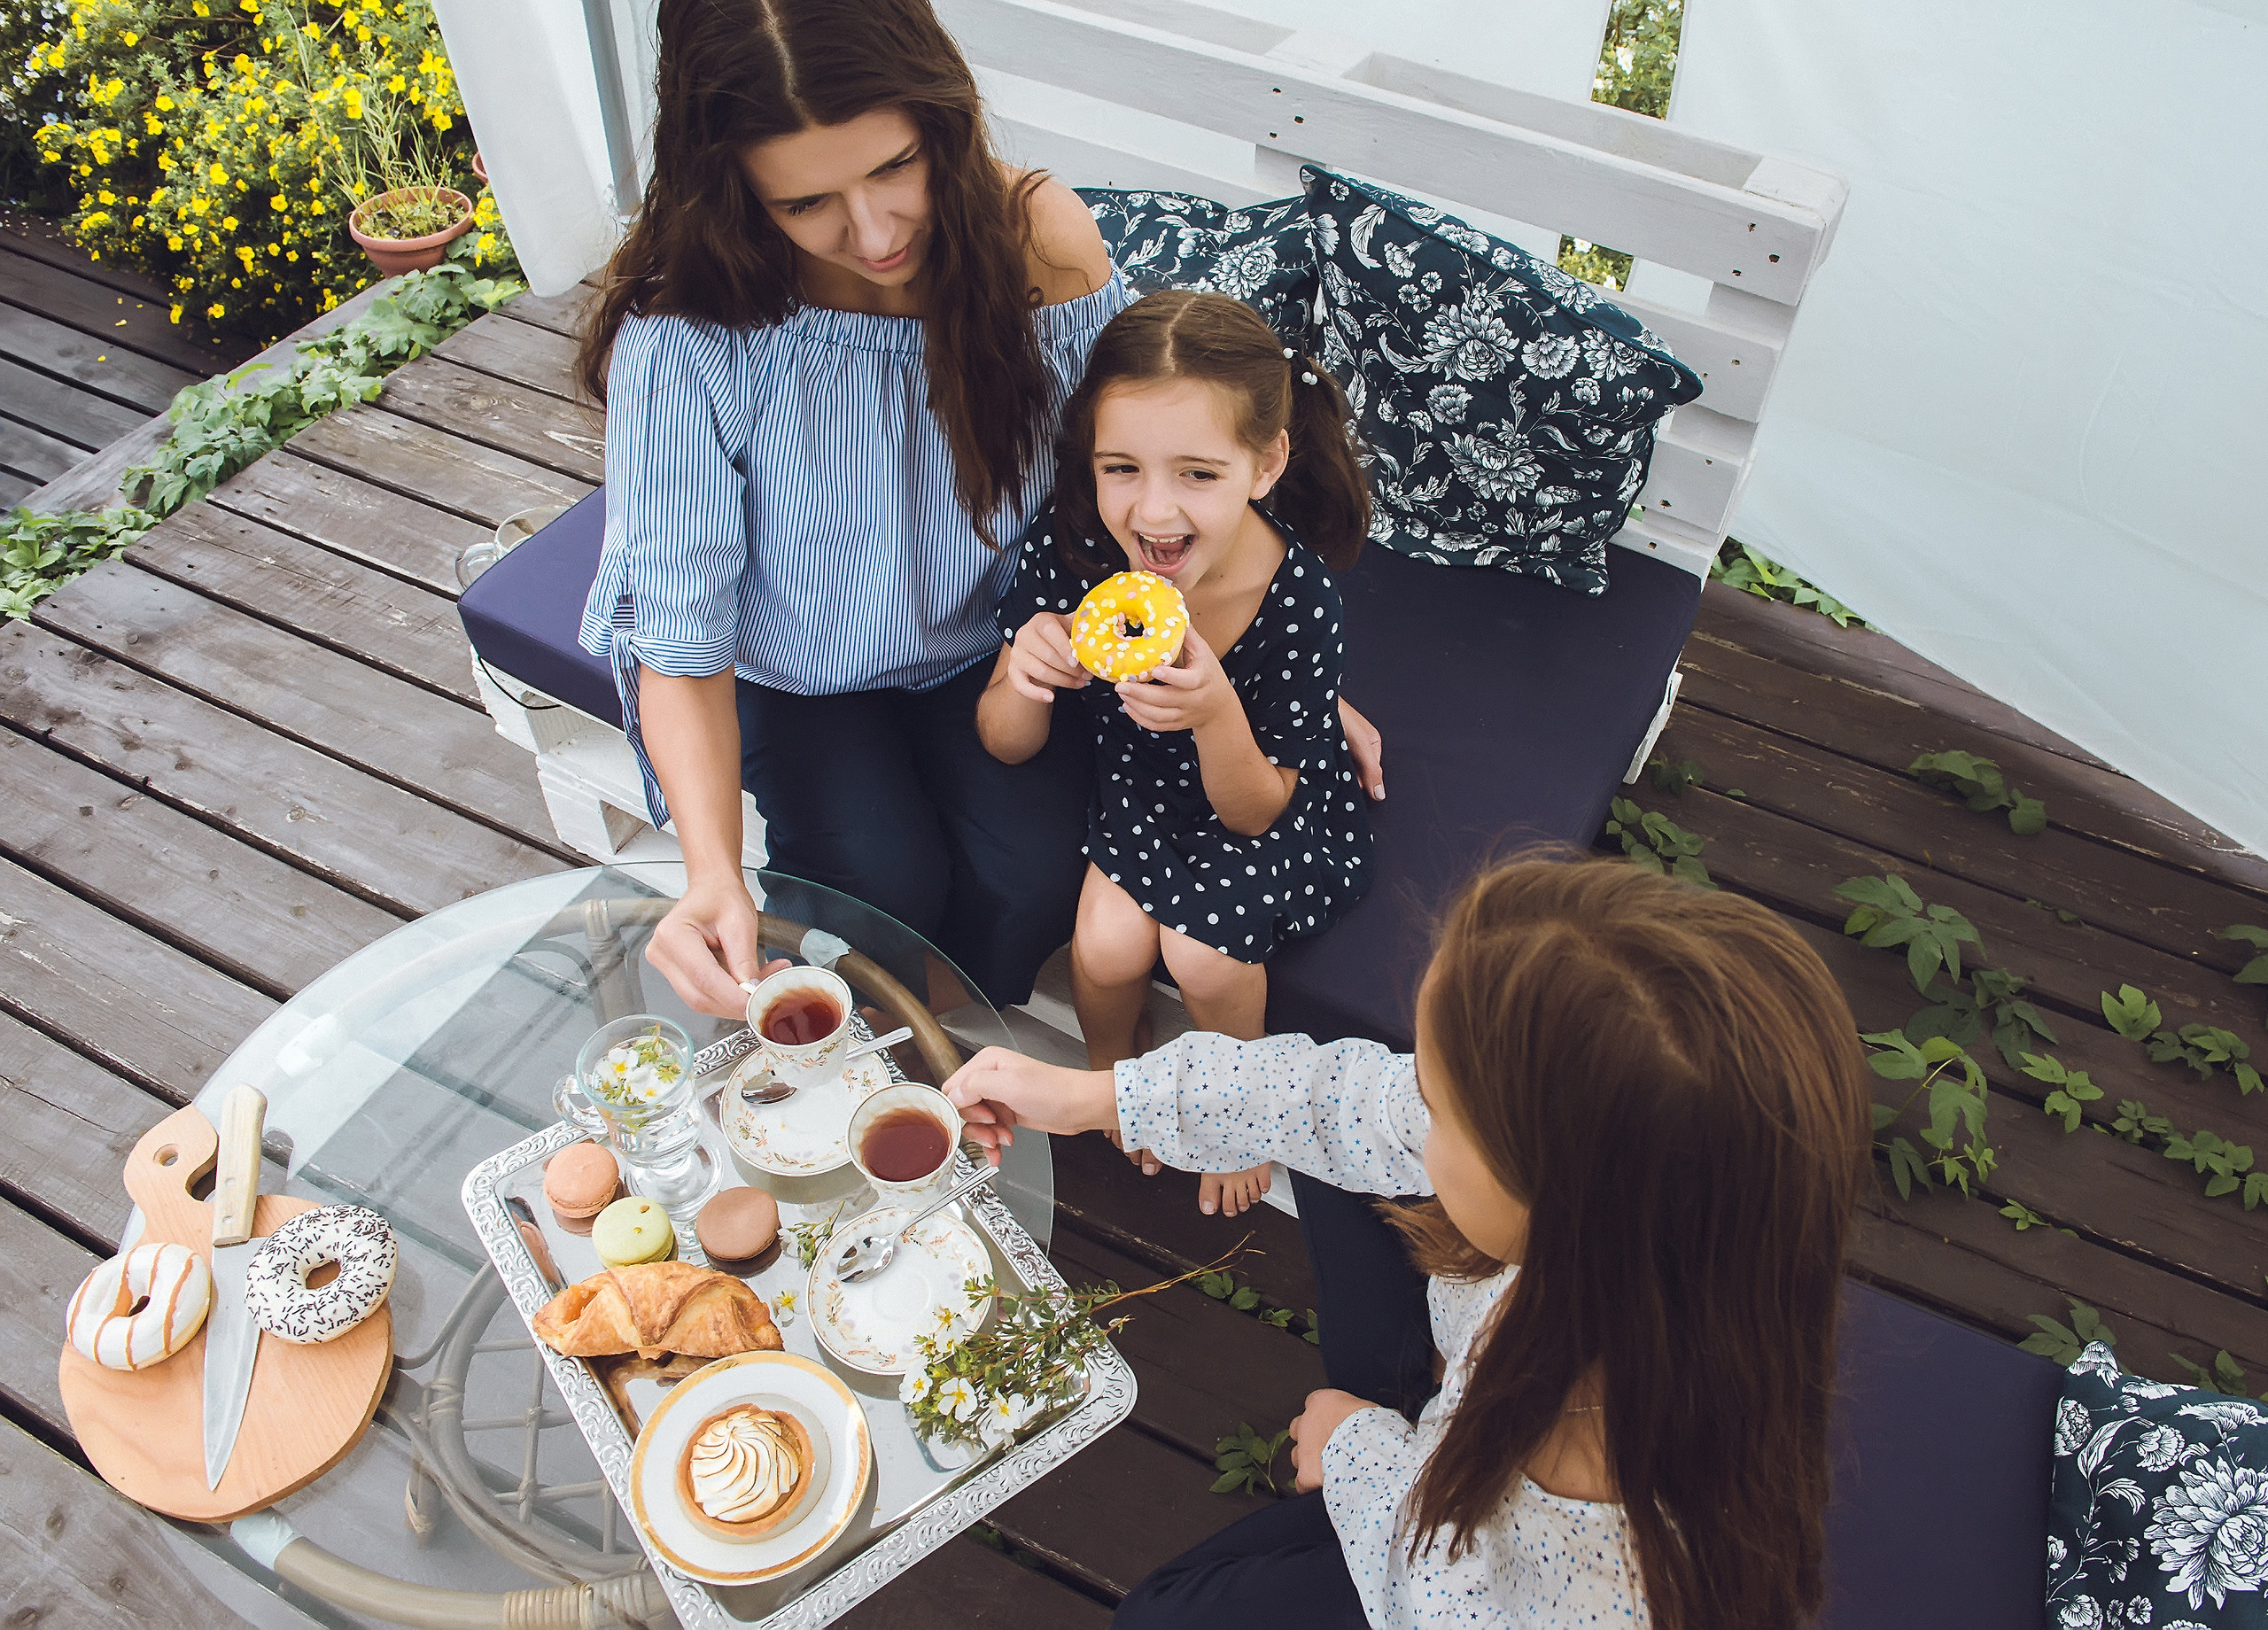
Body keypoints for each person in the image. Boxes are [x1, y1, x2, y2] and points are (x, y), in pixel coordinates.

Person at [573, 0, 1383, 1021]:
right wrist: (712, 874)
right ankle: (903, 1045)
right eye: (805, 203)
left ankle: (961, 1029)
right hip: (804, 672)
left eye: (895, 167)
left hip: (992, 647)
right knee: (880, 885)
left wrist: (1271, 675)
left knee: (1035, 874)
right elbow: (680, 638)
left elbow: (1136, 470)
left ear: (943, 121)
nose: (872, 234)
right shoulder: (689, 330)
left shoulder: (1035, 241)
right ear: (731, 183)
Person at [944, 856, 1873, 1629]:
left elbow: (1438, 1588)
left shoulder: (1592, 1566)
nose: (1407, 1107)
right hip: (1462, 1399)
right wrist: (1093, 1096)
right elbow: (1336, 1100)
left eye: (1439, 1108)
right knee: (1339, 1145)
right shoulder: (1693, 1241)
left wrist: (1354, 1448)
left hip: (1449, 1526)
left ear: (1559, 1206)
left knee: (1160, 1613)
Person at [979, 289, 1374, 1218]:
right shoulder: (1077, 547)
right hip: (1143, 792)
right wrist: (1024, 673)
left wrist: (1214, 712)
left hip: (1263, 797)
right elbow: (1002, 744)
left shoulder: (1300, 602)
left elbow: (1257, 808)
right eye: (1122, 467)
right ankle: (1116, 1078)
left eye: (1197, 473)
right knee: (1105, 945)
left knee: (1202, 955)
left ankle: (1232, 1116)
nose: (1152, 511)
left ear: (1265, 462)